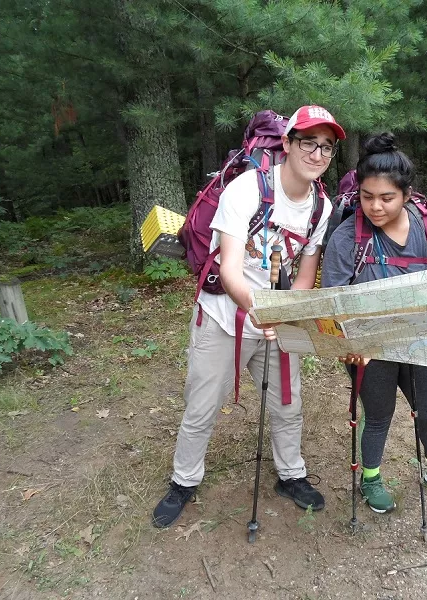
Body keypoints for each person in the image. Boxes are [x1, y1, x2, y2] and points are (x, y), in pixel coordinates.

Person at [152, 105, 346, 527]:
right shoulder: (246, 189)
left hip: (275, 320)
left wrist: (286, 314)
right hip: (225, 315)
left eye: (326, 148)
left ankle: (291, 474)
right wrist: (260, 312)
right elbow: (230, 268)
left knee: (286, 401)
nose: (317, 154)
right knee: (203, 404)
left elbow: (305, 272)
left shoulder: (321, 207)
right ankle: (184, 481)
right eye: (308, 143)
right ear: (289, 144)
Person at [321, 132, 427, 514]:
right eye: (367, 197)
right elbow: (333, 298)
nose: (375, 206)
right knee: (378, 413)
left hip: (423, 335)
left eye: (386, 198)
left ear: (407, 194)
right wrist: (349, 345)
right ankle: (370, 477)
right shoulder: (347, 236)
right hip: (369, 345)